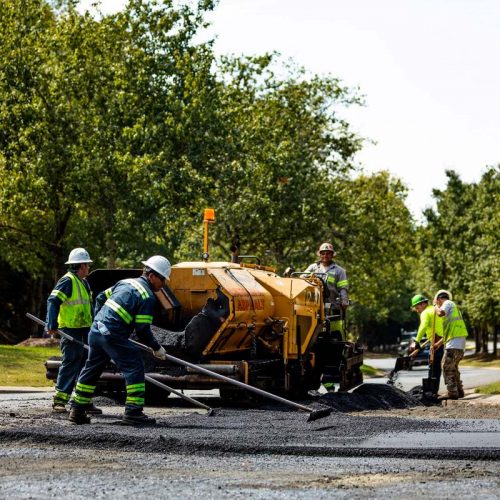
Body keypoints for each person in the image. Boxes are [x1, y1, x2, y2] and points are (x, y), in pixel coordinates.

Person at [68, 255, 171, 425]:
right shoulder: (147, 297)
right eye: (163, 279)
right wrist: (156, 348)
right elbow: (143, 330)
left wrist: (98, 320)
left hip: (96, 332)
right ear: (152, 276)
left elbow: (101, 297)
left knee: (92, 369)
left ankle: (77, 410)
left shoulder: (125, 282)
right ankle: (133, 412)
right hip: (112, 334)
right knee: (135, 365)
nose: (164, 284)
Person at [46, 248, 101, 414]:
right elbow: (53, 300)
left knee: (86, 364)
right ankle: (60, 401)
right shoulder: (67, 281)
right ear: (81, 265)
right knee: (70, 362)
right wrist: (51, 323)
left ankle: (83, 400)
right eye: (88, 265)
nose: (89, 268)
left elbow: (88, 307)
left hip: (85, 329)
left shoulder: (83, 282)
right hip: (71, 330)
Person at [304, 242, 349, 392]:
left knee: (332, 345)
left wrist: (344, 300)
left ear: (332, 255)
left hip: (332, 311)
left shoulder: (339, 271)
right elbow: (301, 282)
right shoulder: (312, 268)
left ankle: (329, 381)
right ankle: (313, 382)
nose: (325, 255)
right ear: (319, 254)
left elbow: (343, 288)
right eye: (323, 253)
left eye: (328, 253)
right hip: (313, 309)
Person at [433, 289, 468, 400]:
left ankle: (452, 393)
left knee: (446, 367)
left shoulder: (447, 303)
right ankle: (459, 391)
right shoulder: (454, 308)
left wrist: (435, 307)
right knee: (453, 368)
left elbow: (439, 313)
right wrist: (438, 344)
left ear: (439, 300)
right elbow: (448, 333)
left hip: (453, 344)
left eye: (437, 302)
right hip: (459, 344)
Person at [410, 294, 444, 397]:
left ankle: (432, 392)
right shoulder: (434, 309)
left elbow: (423, 326)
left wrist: (417, 341)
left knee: (433, 367)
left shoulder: (425, 312)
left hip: (438, 342)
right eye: (415, 308)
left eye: (417, 307)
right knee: (436, 367)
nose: (416, 310)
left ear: (424, 303)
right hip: (442, 340)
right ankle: (433, 391)